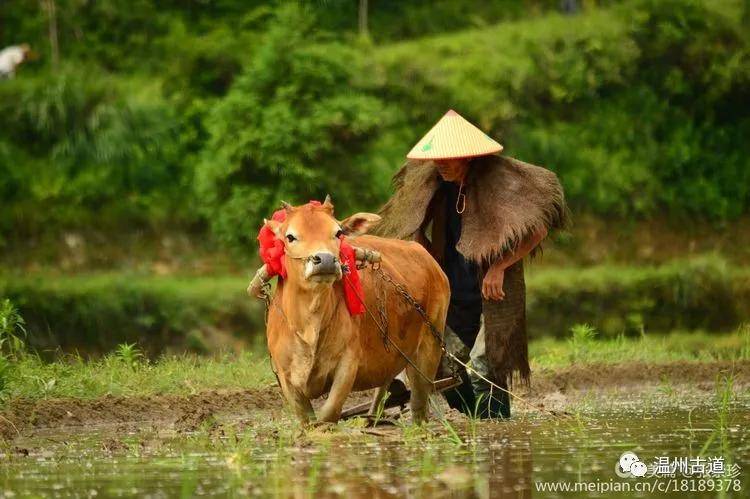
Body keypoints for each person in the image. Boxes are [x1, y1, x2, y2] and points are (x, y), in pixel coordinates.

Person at [374, 110, 566, 418]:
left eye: (449, 159)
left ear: (468, 157)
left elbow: (539, 228)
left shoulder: (499, 186)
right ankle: (471, 421)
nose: (441, 165)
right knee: (443, 359)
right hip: (452, 288)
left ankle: (499, 432)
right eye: (437, 159)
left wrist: (500, 266)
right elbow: (414, 228)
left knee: (485, 364)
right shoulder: (436, 184)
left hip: (493, 290)